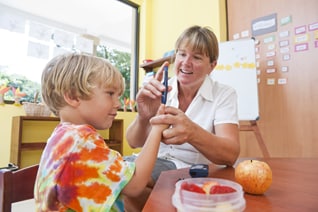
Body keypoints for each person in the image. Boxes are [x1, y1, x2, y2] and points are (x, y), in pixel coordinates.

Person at [124, 25, 240, 210]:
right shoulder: (160, 89)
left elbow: (230, 154)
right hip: (152, 161)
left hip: (186, 169)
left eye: (197, 57)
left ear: (212, 65)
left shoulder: (224, 94)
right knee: (115, 172)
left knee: (127, 182)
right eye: (182, 54)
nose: (186, 62)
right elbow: (132, 142)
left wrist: (192, 132)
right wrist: (143, 116)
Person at [34, 53, 168, 211]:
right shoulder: (82, 140)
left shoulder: (63, 136)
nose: (118, 103)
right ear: (73, 96)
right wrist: (157, 128)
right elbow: (135, 185)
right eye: (110, 94)